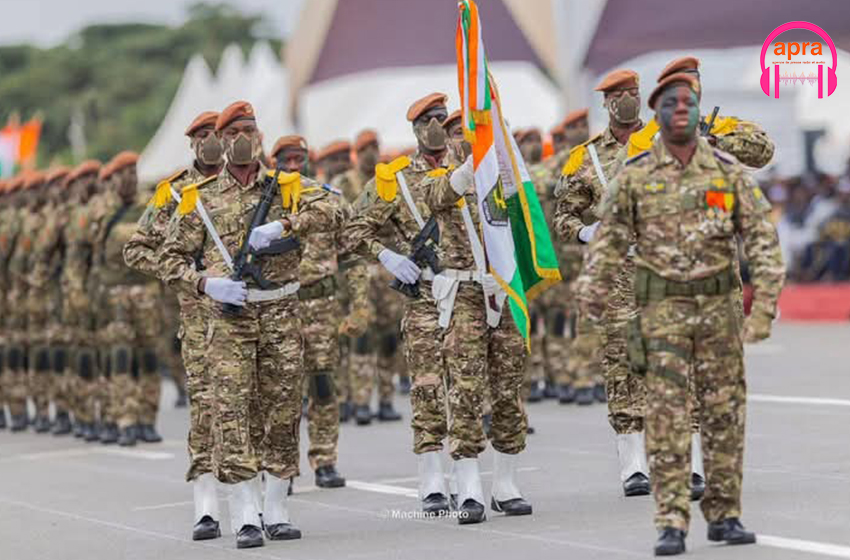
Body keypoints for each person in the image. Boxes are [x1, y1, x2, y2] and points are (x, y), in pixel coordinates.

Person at [577, 73, 784, 556]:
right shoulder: (635, 177)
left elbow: (761, 237)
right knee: (669, 420)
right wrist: (591, 296)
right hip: (662, 315)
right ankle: (671, 521)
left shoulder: (727, 172)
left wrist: (766, 304)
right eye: (670, 106)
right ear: (658, 116)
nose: (680, 113)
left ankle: (725, 515)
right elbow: (606, 245)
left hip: (718, 313)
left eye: (688, 104)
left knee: (723, 417)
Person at [159, 101, 344, 549]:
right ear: (220, 141)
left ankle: (276, 507)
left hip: (281, 312)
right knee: (233, 412)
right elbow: (167, 257)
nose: (244, 137)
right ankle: (245, 513)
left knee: (282, 412)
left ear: (261, 136)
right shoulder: (198, 197)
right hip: (231, 317)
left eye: (250, 129)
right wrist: (204, 283)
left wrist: (286, 222)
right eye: (234, 131)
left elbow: (339, 211)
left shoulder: (288, 187)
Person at [424, 117, 534, 525]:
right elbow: (437, 197)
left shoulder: (504, 177)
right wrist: (475, 164)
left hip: (502, 289)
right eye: (458, 134)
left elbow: (524, 216)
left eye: (473, 132)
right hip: (465, 294)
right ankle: (468, 485)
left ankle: (506, 484)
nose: (466, 139)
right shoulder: (440, 177)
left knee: (508, 388)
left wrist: (497, 155)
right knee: (466, 390)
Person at [347, 92, 451, 514]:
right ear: (414, 130)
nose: (435, 126)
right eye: (427, 120)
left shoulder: (472, 166)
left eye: (442, 118)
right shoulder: (396, 179)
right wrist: (388, 255)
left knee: (468, 388)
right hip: (425, 293)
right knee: (427, 385)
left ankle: (467, 472)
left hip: (471, 293)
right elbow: (354, 230)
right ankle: (431, 476)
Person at [554, 69, 655, 496]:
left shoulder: (665, 140)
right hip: (618, 275)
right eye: (618, 95)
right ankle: (633, 463)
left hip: (667, 269)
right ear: (606, 104)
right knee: (623, 364)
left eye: (632, 92)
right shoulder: (585, 159)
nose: (627, 100)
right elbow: (563, 217)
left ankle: (684, 457)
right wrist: (584, 233)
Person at [125, 110, 225, 540]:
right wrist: (187, 276)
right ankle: (206, 503)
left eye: (215, 134)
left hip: (254, 314)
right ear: (192, 145)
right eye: (201, 136)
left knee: (257, 407)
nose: (210, 142)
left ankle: (260, 498)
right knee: (204, 408)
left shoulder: (258, 185)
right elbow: (136, 249)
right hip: (201, 318)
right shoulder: (174, 192)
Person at [270, 134, 348, 488]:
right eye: (285, 160)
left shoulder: (326, 200)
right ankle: (280, 466)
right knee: (281, 392)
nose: (292, 167)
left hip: (321, 306)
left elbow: (352, 254)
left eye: (298, 159)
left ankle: (325, 459)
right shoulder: (263, 205)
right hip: (278, 305)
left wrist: (357, 306)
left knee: (323, 385)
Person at [334, 130, 403, 424]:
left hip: (387, 270)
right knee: (361, 337)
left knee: (388, 338)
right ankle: (360, 400)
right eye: (365, 149)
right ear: (356, 153)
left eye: (375, 147)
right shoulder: (344, 184)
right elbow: (344, 228)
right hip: (358, 269)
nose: (371, 153)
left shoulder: (388, 181)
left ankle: (386, 399)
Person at [96, 152, 164, 446]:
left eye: (133, 172)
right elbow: (87, 258)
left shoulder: (149, 206)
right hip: (114, 296)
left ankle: (147, 420)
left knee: (149, 358)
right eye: (123, 173)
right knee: (121, 359)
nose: (130, 179)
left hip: (147, 292)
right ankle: (124, 418)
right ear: (114, 179)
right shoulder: (101, 211)